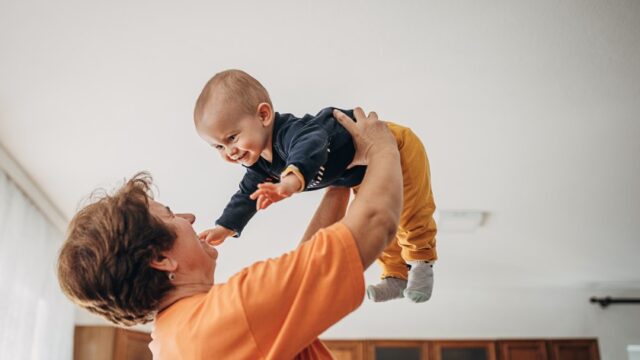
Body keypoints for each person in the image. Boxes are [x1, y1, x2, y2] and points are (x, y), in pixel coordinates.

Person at [57, 108, 403, 359]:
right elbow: (376, 222)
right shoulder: (225, 316)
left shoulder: (176, 339)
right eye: (171, 215)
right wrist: (381, 146)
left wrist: (338, 179)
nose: (189, 217)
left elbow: (306, 271)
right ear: (161, 258)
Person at [194, 69, 438, 303]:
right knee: (384, 219)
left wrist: (291, 180)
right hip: (360, 171)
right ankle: (395, 276)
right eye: (218, 147)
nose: (229, 152)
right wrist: (225, 227)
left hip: (394, 145)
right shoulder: (260, 165)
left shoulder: (291, 132)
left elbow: (311, 145)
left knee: (410, 213)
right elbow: (246, 195)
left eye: (232, 138)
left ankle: (421, 262)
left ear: (264, 115)